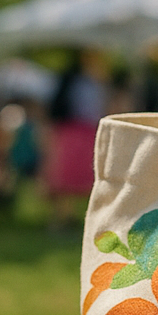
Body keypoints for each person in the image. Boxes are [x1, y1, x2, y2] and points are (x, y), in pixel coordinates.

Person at [43, 50, 107, 231]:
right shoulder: (73, 81)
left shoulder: (98, 82)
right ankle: (62, 218)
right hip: (71, 131)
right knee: (66, 178)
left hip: (90, 131)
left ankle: (81, 220)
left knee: (87, 179)